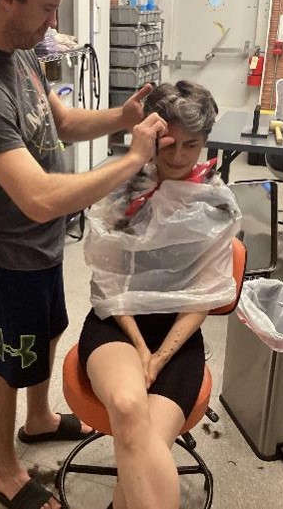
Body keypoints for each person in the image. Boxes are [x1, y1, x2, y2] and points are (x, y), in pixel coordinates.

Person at [0, 0, 167, 509]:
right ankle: (6, 472)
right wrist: (134, 158)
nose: (53, 19)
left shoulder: (20, 52)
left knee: (47, 335)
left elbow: (59, 122)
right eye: (45, 6)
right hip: (4, 254)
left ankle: (38, 419)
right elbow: (38, 197)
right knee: (7, 364)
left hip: (40, 247)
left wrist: (121, 116)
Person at [79, 81, 241, 509]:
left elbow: (203, 296)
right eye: (167, 143)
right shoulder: (123, 190)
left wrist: (160, 356)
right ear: (151, 136)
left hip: (178, 337)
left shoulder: (215, 206)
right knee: (130, 406)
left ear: (205, 142)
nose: (177, 156)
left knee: (142, 439)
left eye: (191, 145)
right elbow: (109, 286)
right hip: (117, 324)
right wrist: (138, 346)